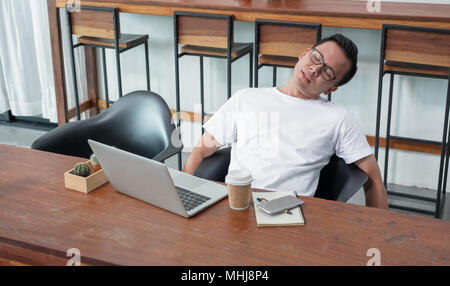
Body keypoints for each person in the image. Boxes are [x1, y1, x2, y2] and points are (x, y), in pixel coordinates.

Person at [183, 34, 388, 209]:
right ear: (304, 54)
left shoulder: (339, 118)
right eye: (316, 58)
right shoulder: (246, 98)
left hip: (286, 211)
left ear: (331, 89)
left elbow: (373, 179)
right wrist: (186, 198)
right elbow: (201, 150)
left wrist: (378, 236)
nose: (315, 70)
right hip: (236, 204)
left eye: (327, 72)